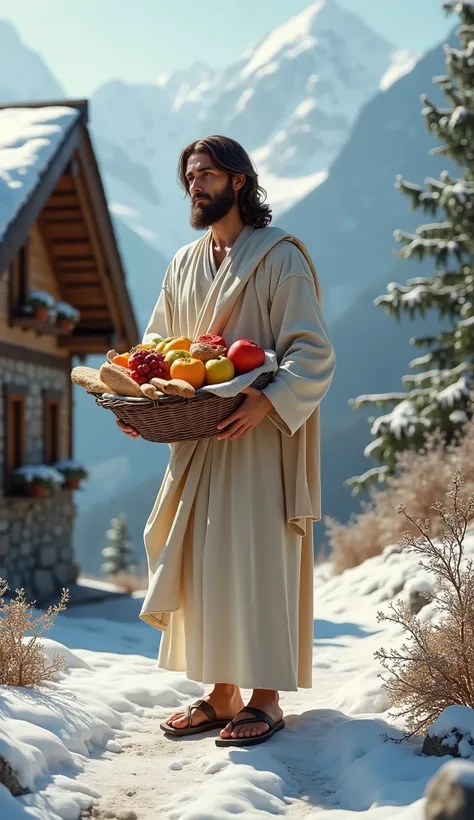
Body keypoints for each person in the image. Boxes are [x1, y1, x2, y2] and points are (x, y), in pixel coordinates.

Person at [116, 135, 336, 748]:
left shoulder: (280, 257)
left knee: (260, 559)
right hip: (198, 440)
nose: (195, 185)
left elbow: (313, 352)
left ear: (240, 182)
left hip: (260, 436)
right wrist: (140, 401)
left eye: (207, 174)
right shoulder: (182, 264)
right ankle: (221, 694)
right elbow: (157, 351)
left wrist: (266, 398)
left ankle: (265, 699)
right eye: (190, 176)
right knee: (206, 563)